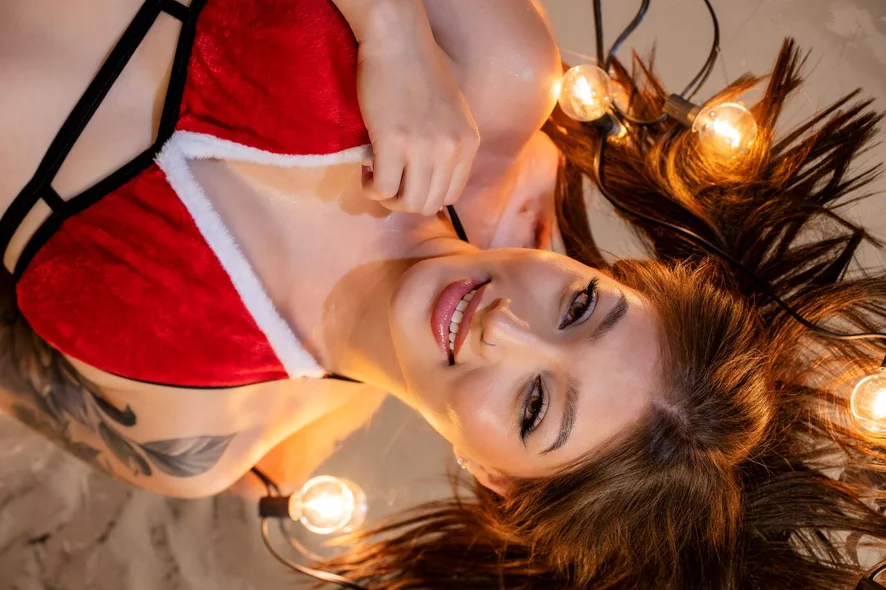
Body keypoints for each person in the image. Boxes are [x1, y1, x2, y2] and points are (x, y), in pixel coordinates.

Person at [0, 3, 884, 590]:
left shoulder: (193, 432)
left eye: (536, 406)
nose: (507, 328)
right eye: (579, 308)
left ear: (493, 476)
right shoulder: (496, 75)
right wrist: (389, 31)